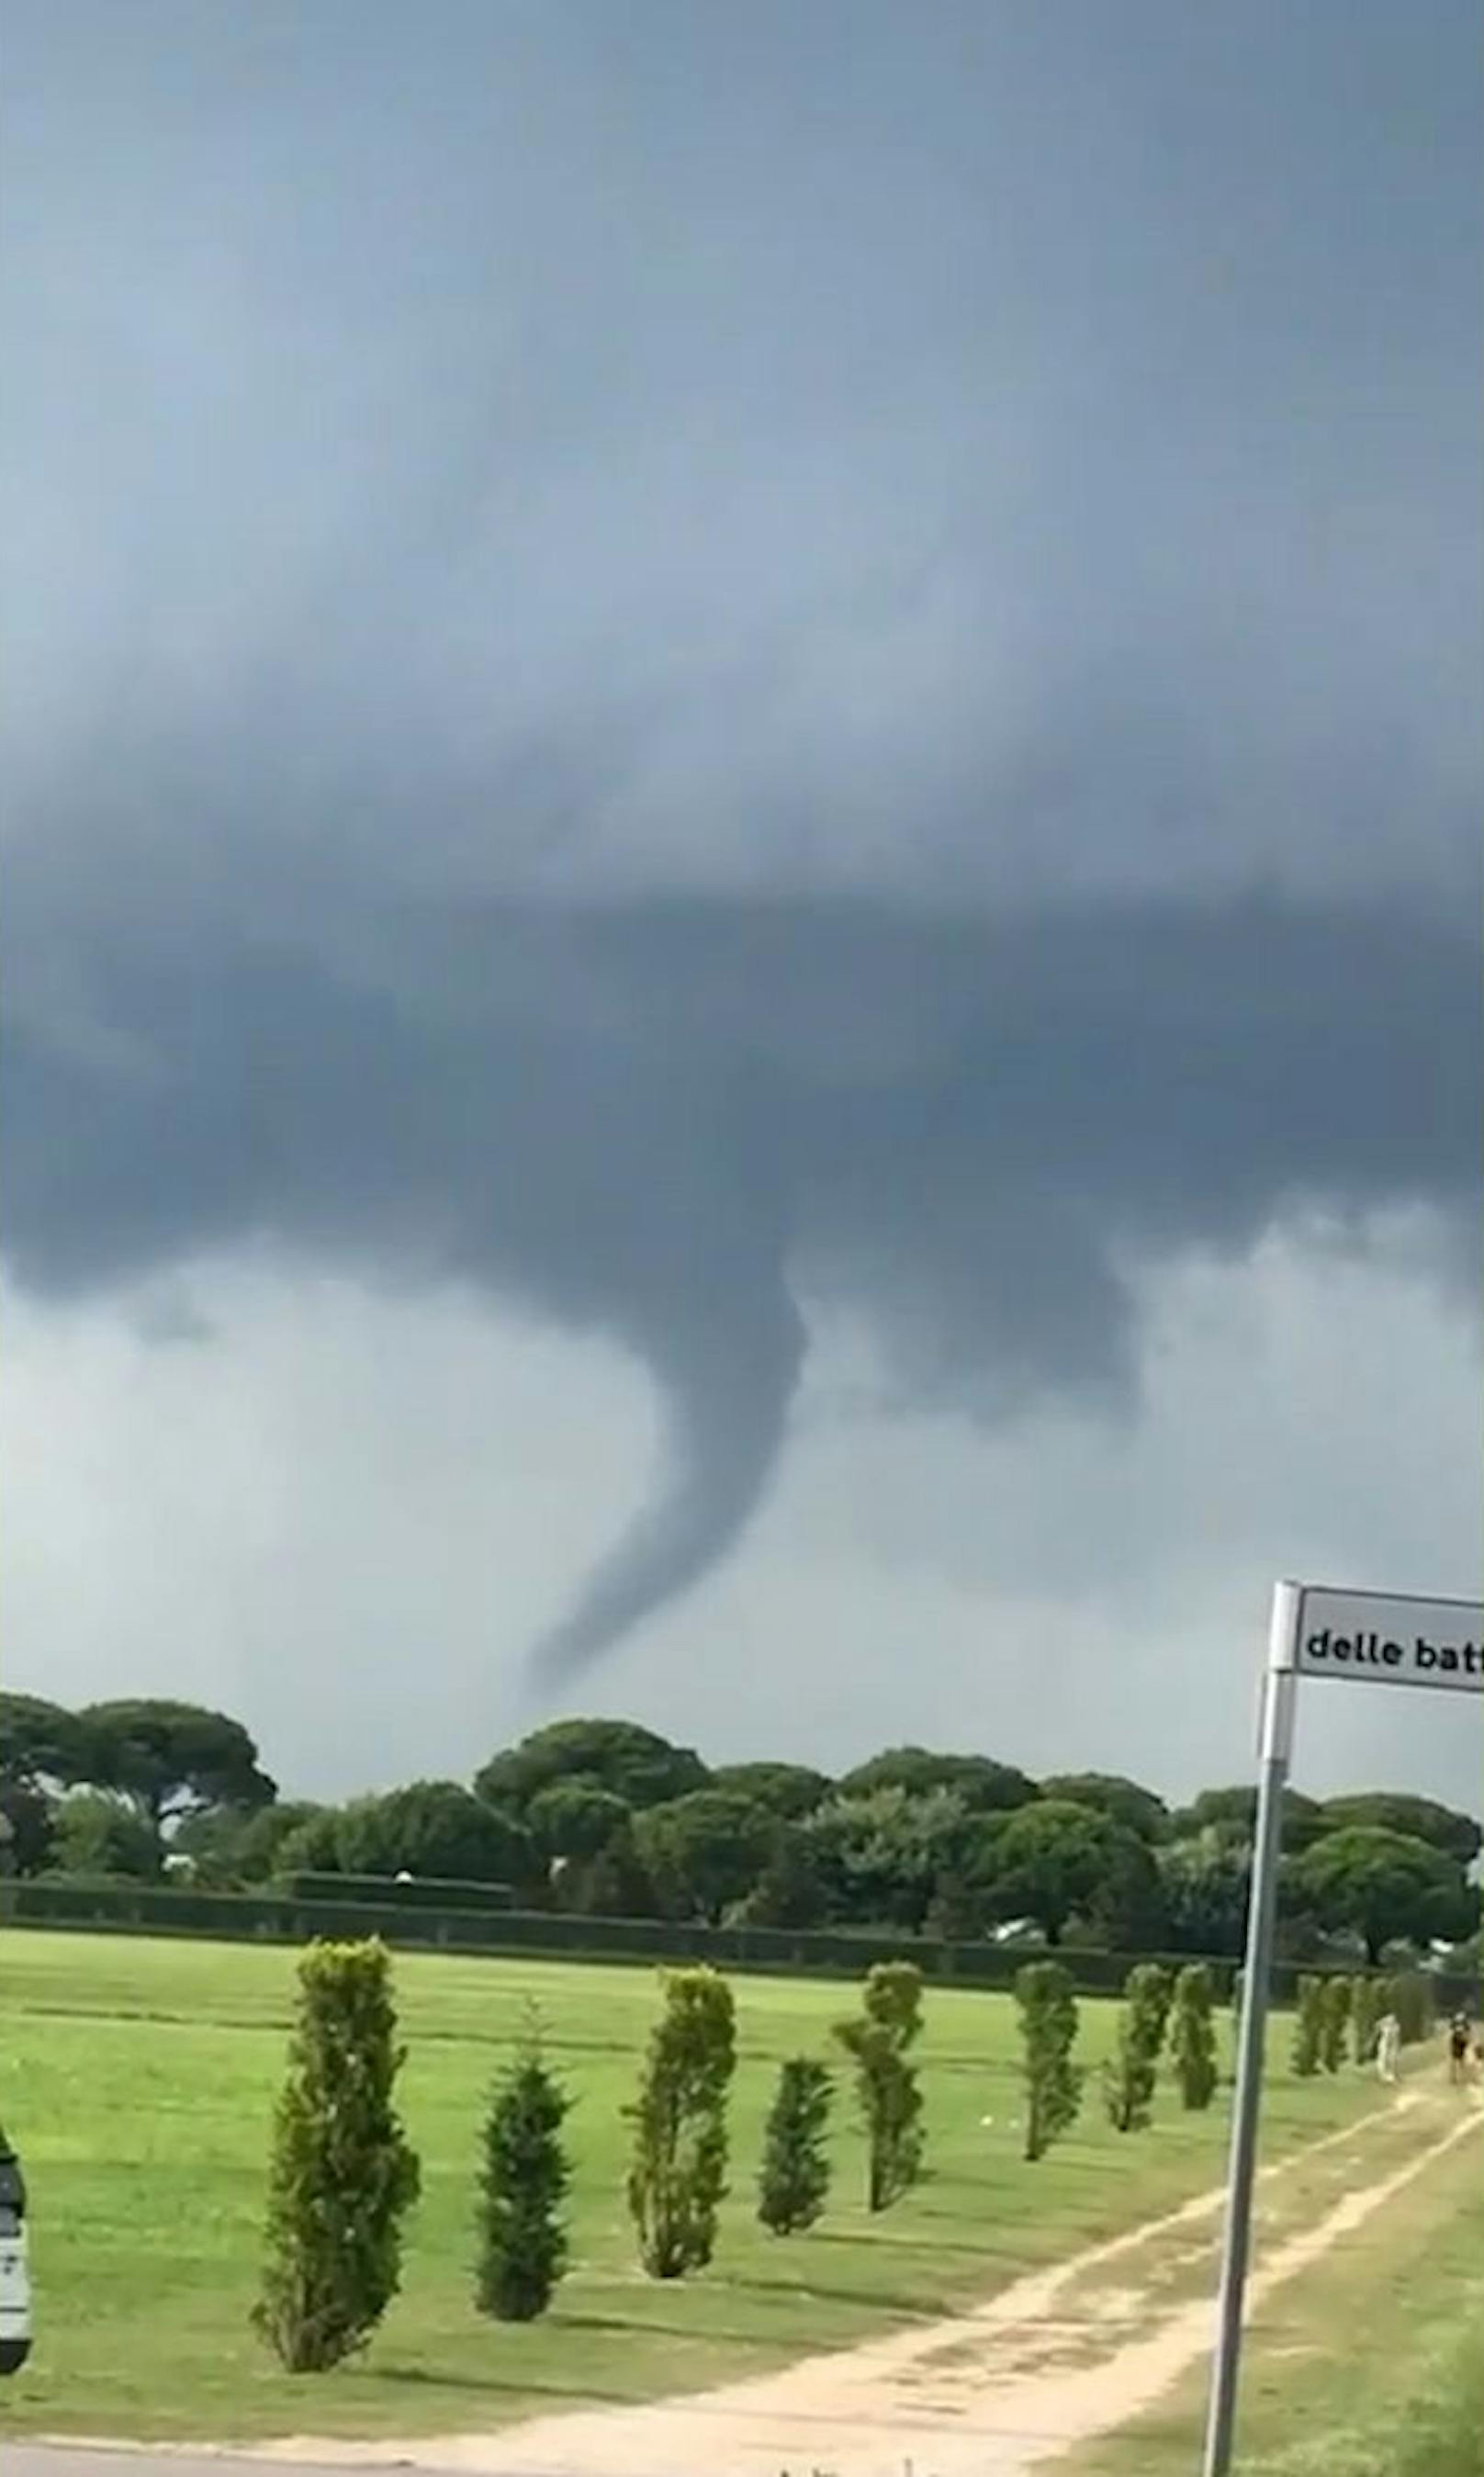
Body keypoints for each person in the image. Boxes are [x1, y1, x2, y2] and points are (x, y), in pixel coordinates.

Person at [1375, 2011, 1401, 2085]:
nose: (1391, 2020)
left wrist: (1397, 2046)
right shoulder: (1384, 2026)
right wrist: (1383, 2021)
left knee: (1393, 2059)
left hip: (1392, 2045)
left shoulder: (1396, 2027)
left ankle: (1393, 2075)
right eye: (1390, 2019)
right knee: (1383, 2059)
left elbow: (1396, 2038)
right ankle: (1383, 2076)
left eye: (1393, 2019)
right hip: (1384, 2045)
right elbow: (1377, 2025)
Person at [1446, 2011, 1472, 2086]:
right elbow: (1450, 2033)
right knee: (1455, 2060)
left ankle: (1460, 2078)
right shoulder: (1455, 2024)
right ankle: (1454, 2078)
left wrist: (1467, 2040)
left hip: (1461, 2043)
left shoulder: (1465, 2024)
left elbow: (1468, 2032)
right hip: (1456, 2042)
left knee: (1461, 2060)